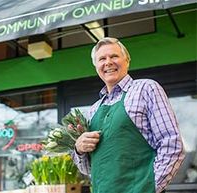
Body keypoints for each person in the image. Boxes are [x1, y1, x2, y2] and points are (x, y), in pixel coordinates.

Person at [71, 37, 185, 193]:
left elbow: (171, 143)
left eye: (114, 56)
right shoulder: (93, 110)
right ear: (96, 67)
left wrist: (150, 187)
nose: (108, 62)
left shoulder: (146, 88)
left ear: (127, 61)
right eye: (102, 59)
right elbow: (88, 169)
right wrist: (79, 149)